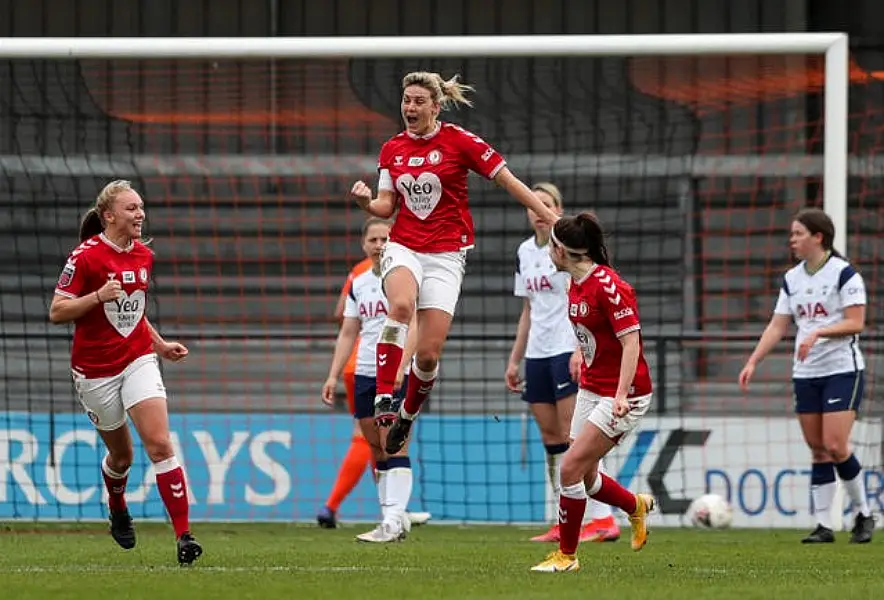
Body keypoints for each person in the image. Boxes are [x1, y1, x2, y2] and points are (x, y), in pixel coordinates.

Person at [349, 71, 560, 454]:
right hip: (405, 246)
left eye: (417, 101)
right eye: (405, 100)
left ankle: (407, 414)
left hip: (447, 254)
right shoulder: (391, 149)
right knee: (399, 305)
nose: (409, 108)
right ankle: (384, 397)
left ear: (435, 105)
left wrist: (549, 215)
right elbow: (385, 206)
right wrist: (366, 203)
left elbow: (508, 179)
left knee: (428, 355)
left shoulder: (460, 141)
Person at [49, 179, 202, 566]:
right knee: (122, 457)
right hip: (94, 371)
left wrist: (161, 345)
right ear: (109, 215)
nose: (140, 214)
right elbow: (56, 311)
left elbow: (133, 313)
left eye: (141, 207)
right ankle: (117, 504)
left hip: (137, 360)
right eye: (132, 208)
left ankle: (184, 536)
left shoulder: (143, 256)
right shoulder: (84, 258)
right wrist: (97, 296)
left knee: (160, 444)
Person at [739, 208, 874, 544]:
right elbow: (777, 325)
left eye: (798, 233)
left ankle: (864, 514)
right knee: (817, 449)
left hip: (842, 369)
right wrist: (753, 360)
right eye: (792, 234)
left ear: (818, 237)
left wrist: (818, 334)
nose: (792, 240)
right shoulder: (792, 278)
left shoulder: (845, 275)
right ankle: (824, 525)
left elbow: (856, 322)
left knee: (835, 444)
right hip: (806, 372)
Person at [531, 212, 655, 573]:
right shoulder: (575, 281)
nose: (548, 252)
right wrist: (578, 354)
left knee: (568, 468)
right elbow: (590, 333)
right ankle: (635, 506)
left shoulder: (609, 286)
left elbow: (631, 343)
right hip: (592, 386)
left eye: (552, 246)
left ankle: (567, 557)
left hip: (624, 393)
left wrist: (619, 394)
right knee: (584, 475)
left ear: (564, 251)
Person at [505, 182, 619, 544]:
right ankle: (565, 520)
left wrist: (578, 349)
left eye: (546, 204)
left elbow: (585, 295)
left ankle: (603, 519)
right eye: (533, 204)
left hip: (566, 348)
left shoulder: (568, 251)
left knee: (578, 438)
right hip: (537, 353)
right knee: (552, 439)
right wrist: (514, 359)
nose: (537, 210)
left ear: (558, 208)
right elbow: (527, 310)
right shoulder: (524, 252)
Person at [321, 218, 419, 542]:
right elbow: (349, 330)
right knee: (374, 446)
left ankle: (393, 520)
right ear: (364, 244)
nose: (379, 245)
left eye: (384, 238)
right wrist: (333, 375)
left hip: (394, 370)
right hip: (363, 369)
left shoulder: (404, 278)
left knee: (393, 440)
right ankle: (391, 517)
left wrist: (405, 363)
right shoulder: (359, 281)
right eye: (373, 239)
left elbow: (415, 323)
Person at [316, 255, 374, 529]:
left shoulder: (359, 270)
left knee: (368, 434)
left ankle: (331, 507)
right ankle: (395, 509)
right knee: (384, 435)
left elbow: (341, 312)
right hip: (382, 362)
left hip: (355, 362)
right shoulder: (406, 265)